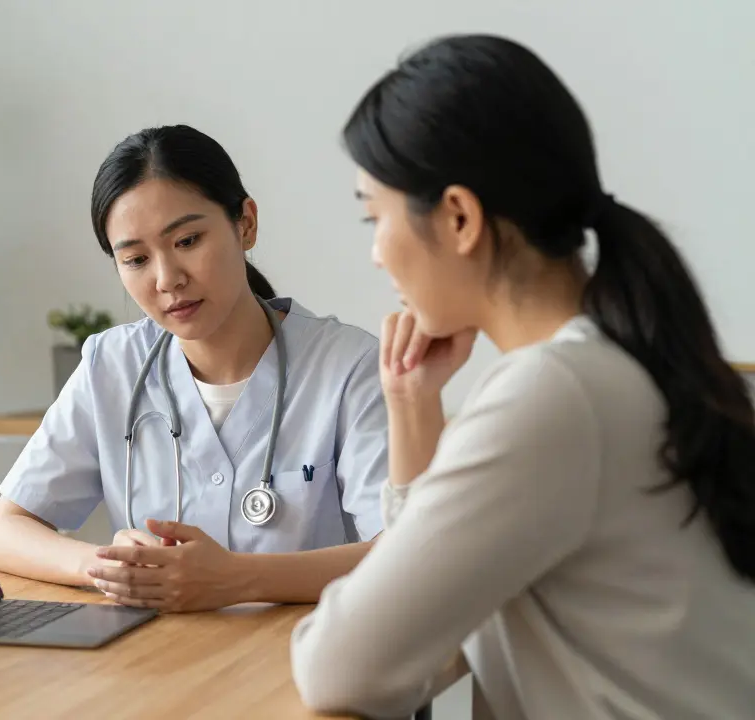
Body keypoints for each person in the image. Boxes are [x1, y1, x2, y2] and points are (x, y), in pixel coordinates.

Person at [290, 34, 755, 719]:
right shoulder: (616, 359)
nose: (375, 254)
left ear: (458, 217)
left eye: (374, 215)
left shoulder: (554, 396)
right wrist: (412, 404)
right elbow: (414, 613)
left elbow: (340, 665)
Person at [0, 124, 391, 612]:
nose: (167, 279)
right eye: (135, 259)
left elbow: (404, 554)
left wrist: (237, 579)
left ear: (245, 224)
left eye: (188, 240)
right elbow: (4, 532)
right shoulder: (110, 365)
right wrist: (106, 567)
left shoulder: (349, 367)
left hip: (303, 662)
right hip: (163, 665)